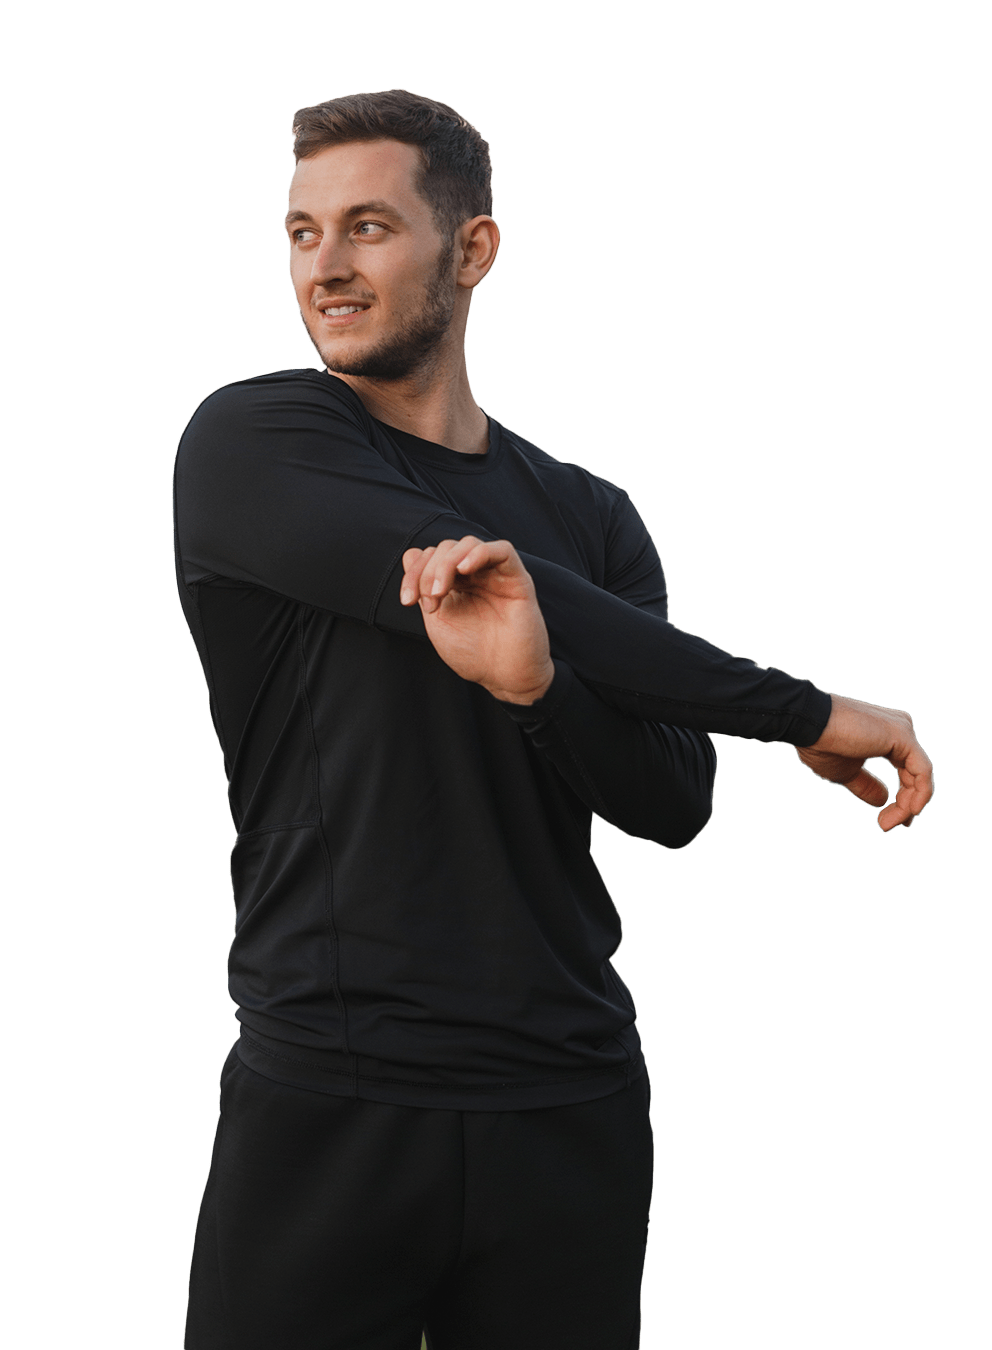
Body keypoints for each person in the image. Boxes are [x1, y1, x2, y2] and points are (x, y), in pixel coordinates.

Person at [172, 88, 933, 1350]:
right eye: (303, 232)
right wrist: (804, 711)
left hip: (569, 1105)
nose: (326, 266)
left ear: (472, 248)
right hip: (332, 1099)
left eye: (368, 227)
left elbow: (672, 800)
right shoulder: (255, 441)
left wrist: (542, 692)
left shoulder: (591, 513)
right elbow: (535, 593)